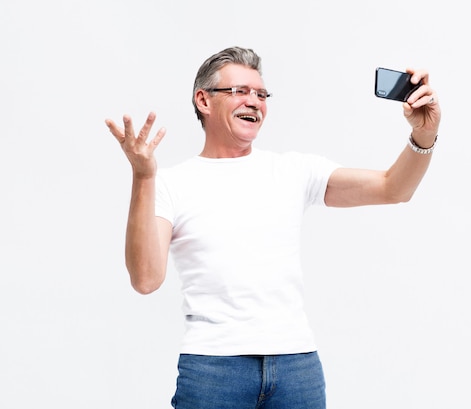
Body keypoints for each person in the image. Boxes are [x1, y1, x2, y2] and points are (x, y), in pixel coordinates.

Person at [105, 46, 441, 409]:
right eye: (240, 91)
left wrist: (424, 135)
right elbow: (145, 279)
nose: (254, 102)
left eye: (261, 94)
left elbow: (394, 188)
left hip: (297, 369)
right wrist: (143, 175)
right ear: (203, 100)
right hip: (214, 370)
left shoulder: (293, 171)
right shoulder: (170, 183)